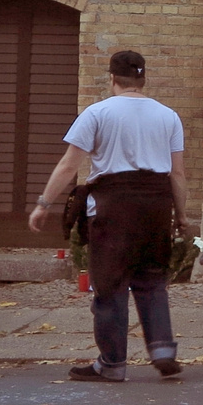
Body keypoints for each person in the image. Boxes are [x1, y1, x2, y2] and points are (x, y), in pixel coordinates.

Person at [29, 50, 189, 383]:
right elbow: (178, 174)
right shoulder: (168, 116)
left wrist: (44, 203)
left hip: (114, 204)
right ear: (143, 79)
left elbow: (70, 165)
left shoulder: (97, 113)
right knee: (151, 280)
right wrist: (181, 215)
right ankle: (162, 350)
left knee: (110, 284)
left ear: (112, 78)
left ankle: (113, 362)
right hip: (157, 204)